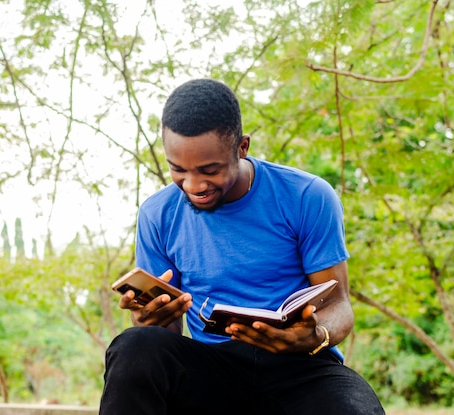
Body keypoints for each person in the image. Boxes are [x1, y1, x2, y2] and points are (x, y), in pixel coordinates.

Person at [99, 78, 385, 415]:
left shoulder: (307, 196)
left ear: (242, 147)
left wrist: (313, 336)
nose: (193, 185)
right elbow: (165, 338)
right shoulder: (157, 213)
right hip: (214, 371)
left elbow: (338, 304)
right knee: (135, 346)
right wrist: (149, 318)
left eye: (210, 170)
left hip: (302, 368)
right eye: (178, 169)